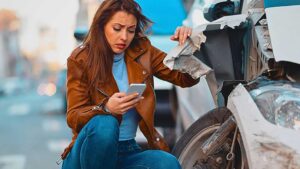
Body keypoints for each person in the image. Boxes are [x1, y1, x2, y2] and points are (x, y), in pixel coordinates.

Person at [61, 0, 199, 168]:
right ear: (101, 26)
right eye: (117, 29)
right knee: (106, 124)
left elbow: (184, 79)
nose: (124, 37)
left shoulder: (143, 51)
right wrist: (106, 108)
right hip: (88, 153)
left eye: (131, 30)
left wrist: (187, 48)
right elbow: (73, 116)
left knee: (167, 163)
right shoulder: (80, 59)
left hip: (127, 150)